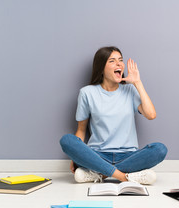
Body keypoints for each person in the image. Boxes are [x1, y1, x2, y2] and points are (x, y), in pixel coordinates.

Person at [60, 46, 167, 185]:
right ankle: (126, 177)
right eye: (112, 61)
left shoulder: (130, 89)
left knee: (160, 149)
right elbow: (81, 130)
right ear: (101, 68)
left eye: (120, 60)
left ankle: (99, 174)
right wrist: (76, 157)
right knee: (67, 140)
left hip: (129, 156)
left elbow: (151, 115)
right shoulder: (87, 93)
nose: (119, 64)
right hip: (97, 155)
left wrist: (137, 83)